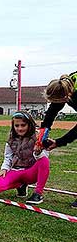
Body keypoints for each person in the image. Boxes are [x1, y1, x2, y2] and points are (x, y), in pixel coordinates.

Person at [0, 111, 50, 204]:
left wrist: (38, 152)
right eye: (17, 125)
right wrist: (4, 169)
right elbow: (8, 157)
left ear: (29, 125)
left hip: (30, 172)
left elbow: (44, 158)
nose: (20, 128)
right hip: (16, 170)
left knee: (44, 160)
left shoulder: (38, 137)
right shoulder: (10, 140)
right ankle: (21, 185)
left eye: (23, 125)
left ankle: (38, 194)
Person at [39, 74, 77, 208]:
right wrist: (42, 135)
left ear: (66, 96)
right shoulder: (63, 86)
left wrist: (59, 142)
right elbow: (51, 114)